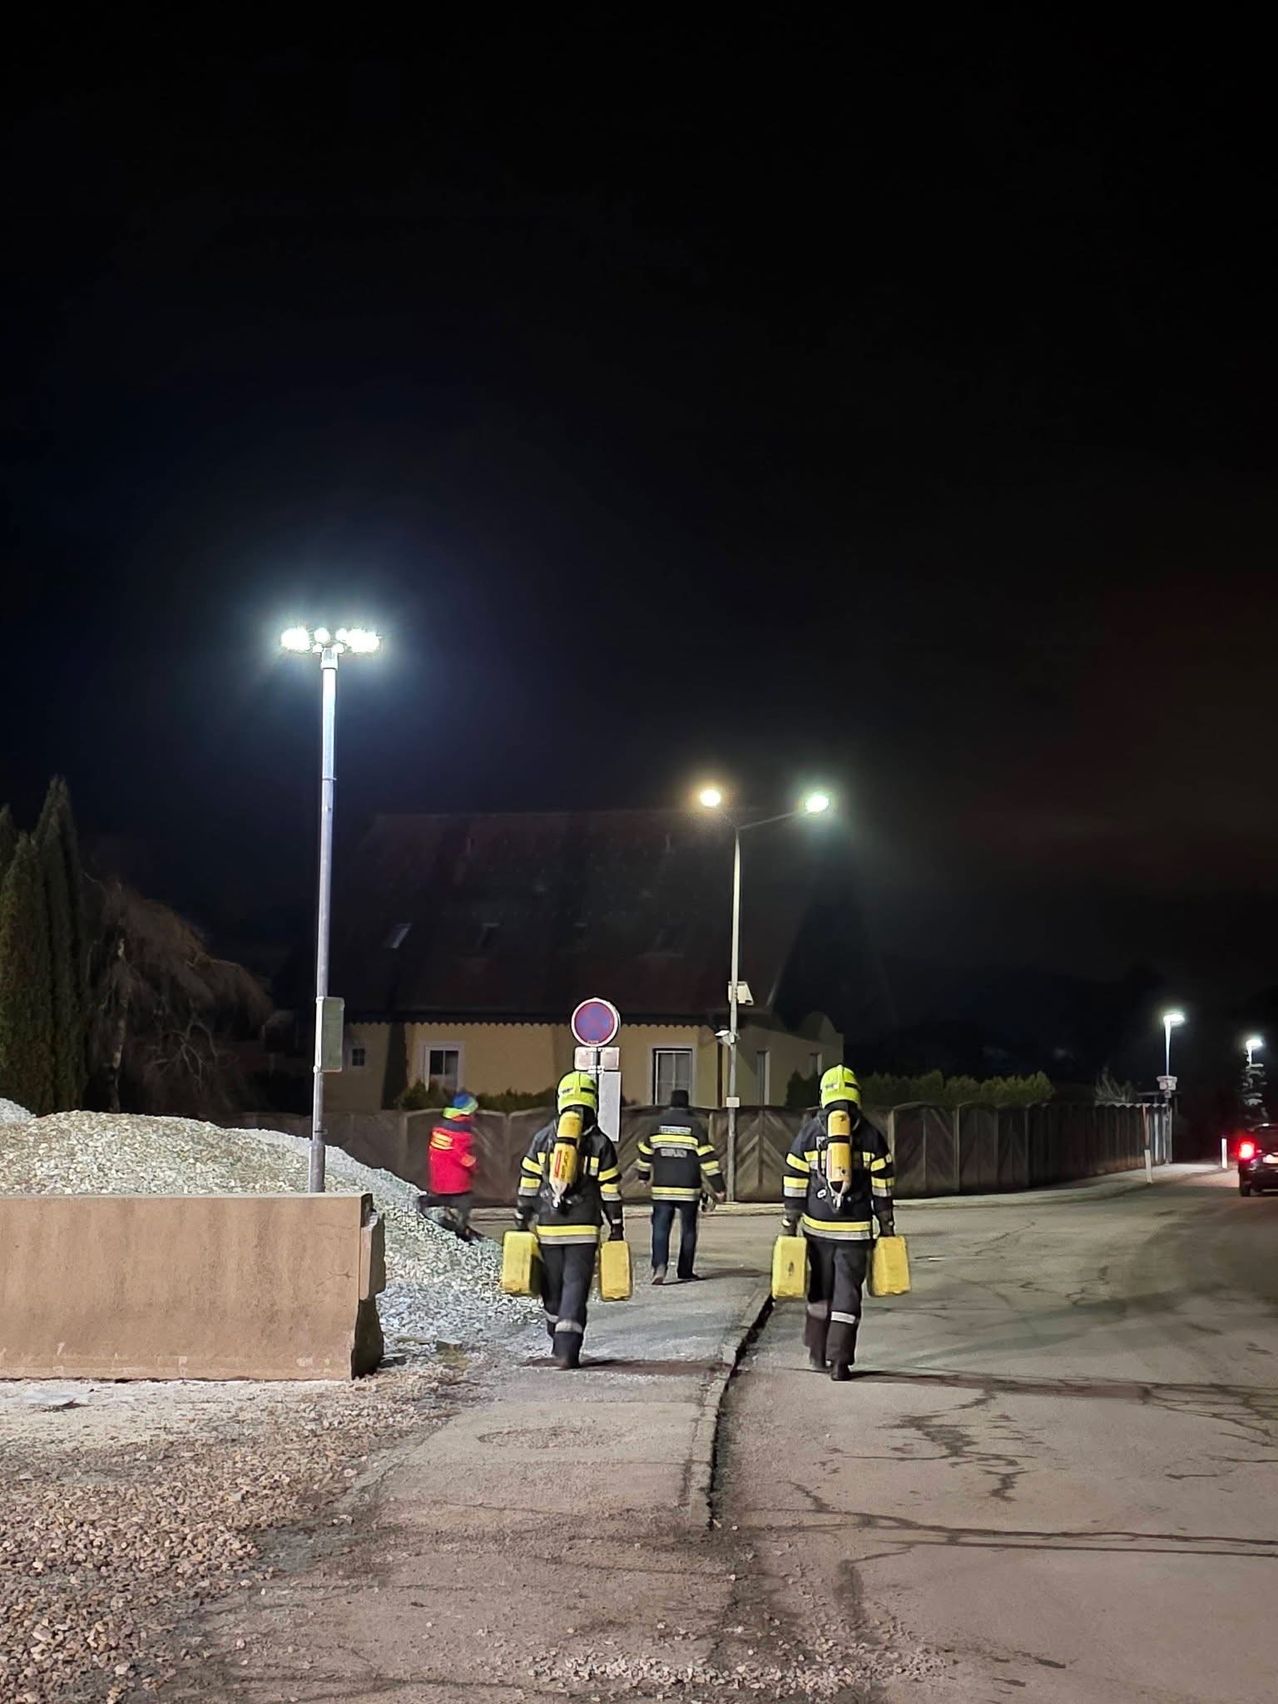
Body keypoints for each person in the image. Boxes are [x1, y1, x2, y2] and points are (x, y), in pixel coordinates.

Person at [782, 1064, 895, 1382]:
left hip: (817, 1231)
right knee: (848, 1296)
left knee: (819, 1292)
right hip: (856, 1234)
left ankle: (816, 1353)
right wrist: (886, 1225)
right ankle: (839, 1362)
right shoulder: (871, 1136)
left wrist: (789, 1221)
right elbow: (883, 1186)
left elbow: (793, 1178)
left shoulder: (808, 1133)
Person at [515, 1070, 624, 1369]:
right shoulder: (601, 1143)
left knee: (552, 1285)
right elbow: (610, 1191)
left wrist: (522, 1215)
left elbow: (528, 1182)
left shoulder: (542, 1139)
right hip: (585, 1228)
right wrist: (616, 1226)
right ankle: (567, 1350)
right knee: (575, 1285)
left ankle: (555, 1336)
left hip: (549, 1226)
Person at [636, 1088, 726, 1283]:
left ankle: (659, 1267)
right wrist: (719, 1187)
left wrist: (643, 1176)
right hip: (688, 1189)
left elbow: (644, 1154)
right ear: (687, 1105)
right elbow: (708, 1160)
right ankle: (685, 1270)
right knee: (688, 1230)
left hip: (662, 1188)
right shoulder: (695, 1126)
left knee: (660, 1228)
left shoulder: (656, 1125)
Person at [421, 1091, 480, 1239]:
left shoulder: (440, 1130)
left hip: (440, 1178)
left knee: (443, 1198)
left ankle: (427, 1203)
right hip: (457, 1180)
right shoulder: (462, 1135)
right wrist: (473, 1165)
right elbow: (462, 1157)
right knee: (464, 1203)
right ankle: (461, 1231)